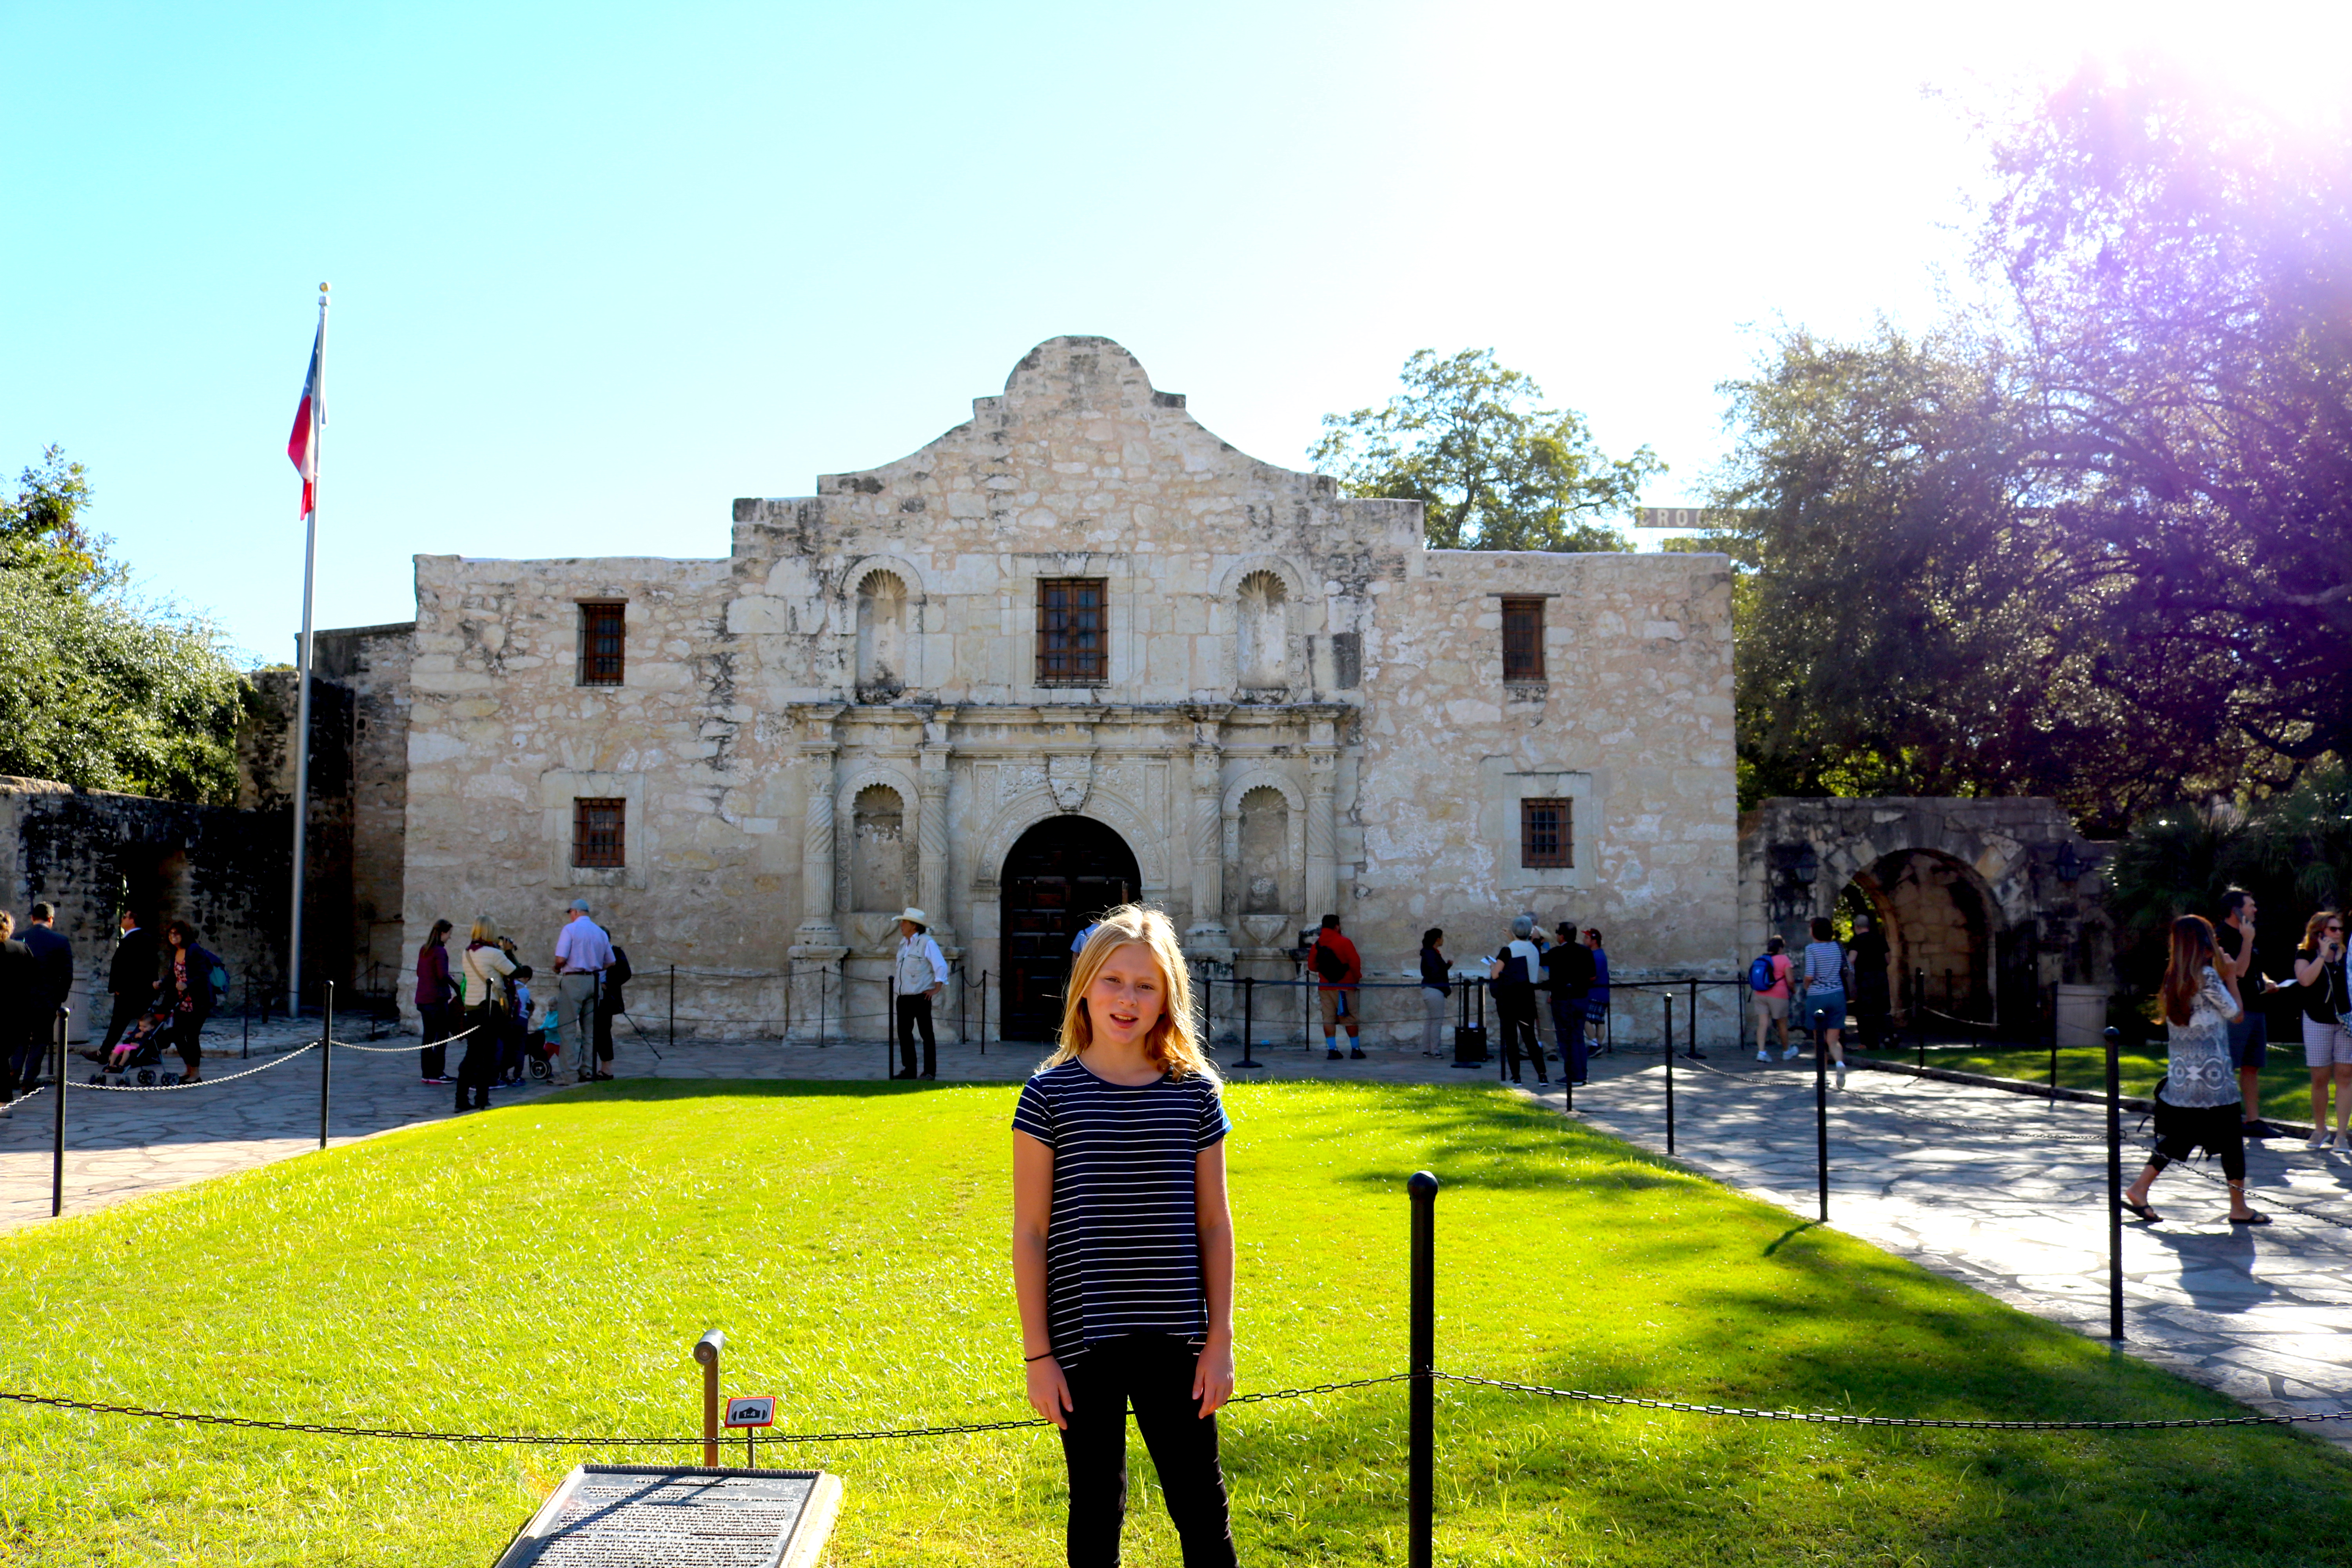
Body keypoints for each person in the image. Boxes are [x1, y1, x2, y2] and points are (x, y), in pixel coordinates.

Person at [1013, 904, 1237, 1568]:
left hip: (1179, 1338)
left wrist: (1220, 1340)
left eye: (1146, 985)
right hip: (1084, 1339)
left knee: (1201, 1507)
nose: (1127, 999)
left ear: (1169, 994)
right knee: (1095, 1510)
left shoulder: (1194, 1094)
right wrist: (1037, 1357)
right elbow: (1030, 1232)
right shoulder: (1048, 1096)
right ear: (1084, 985)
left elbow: (1215, 1224)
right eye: (1113, 980)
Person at [2120, 915, 2268, 1225]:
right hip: (2213, 1078)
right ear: (2202, 947)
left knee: (2181, 1137)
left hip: (2184, 1078)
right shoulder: (2208, 977)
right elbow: (2237, 1015)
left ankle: (2139, 1188)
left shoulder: (2173, 978)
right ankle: (2239, 1208)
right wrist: (2230, 977)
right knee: (2230, 1140)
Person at [2214, 888, 2279, 1138]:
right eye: (2251, 905)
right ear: (2236, 910)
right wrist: (2248, 941)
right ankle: (2223, 1119)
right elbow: (2238, 971)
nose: (2255, 910)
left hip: (2256, 1007)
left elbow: (2253, 969)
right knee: (2228, 1065)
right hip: (2233, 1011)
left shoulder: (2247, 934)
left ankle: (2253, 1121)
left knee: (2252, 1066)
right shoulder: (2221, 937)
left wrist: (2267, 981)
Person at [2291, 910, 2350, 1152]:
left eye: (2340, 930)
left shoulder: (2347, 956)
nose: (2338, 934)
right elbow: (2305, 980)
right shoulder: (2305, 953)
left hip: (2345, 1020)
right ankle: (2320, 1129)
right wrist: (2323, 956)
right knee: (2320, 1077)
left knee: (2346, 1075)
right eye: (2333, 929)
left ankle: (2342, 1135)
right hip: (2317, 1020)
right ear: (2319, 932)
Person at [456, 916, 516, 1112]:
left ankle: (461, 1099)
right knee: (487, 1056)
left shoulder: (467, 953)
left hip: (472, 1007)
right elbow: (516, 972)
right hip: (490, 1008)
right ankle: (482, 1098)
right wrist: (509, 953)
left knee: (472, 1054)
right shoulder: (493, 954)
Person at [552, 899, 615, 1085]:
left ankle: (569, 1074)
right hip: (593, 980)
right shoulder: (600, 932)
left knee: (568, 1029)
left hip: (574, 979)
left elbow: (561, 958)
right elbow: (611, 962)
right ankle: (587, 1070)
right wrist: (594, 966)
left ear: (575, 912)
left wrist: (557, 968)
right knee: (590, 1031)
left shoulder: (570, 930)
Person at [1488, 915, 1549, 1086]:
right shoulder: (1534, 950)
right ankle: (1542, 1074)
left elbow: (1495, 974)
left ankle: (1516, 1076)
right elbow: (1523, 948)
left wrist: (1492, 966)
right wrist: (1514, 938)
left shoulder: (1507, 951)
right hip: (1527, 995)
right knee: (1530, 1037)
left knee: (1511, 1038)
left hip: (1510, 997)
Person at [157, 920, 221, 1084]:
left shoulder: (194, 950)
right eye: (170, 934)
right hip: (182, 1001)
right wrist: (161, 983)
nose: (173, 937)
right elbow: (173, 975)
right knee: (178, 1036)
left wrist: (187, 984)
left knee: (192, 1035)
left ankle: (196, 1074)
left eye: (176, 934)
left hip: (199, 1001)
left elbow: (202, 974)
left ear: (184, 935)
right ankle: (188, 1069)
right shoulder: (175, 952)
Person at [893, 906, 950, 1080]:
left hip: (920, 996)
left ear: (914, 926)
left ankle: (929, 1071)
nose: (901, 925)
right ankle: (909, 1069)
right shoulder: (904, 945)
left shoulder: (927, 942)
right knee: (904, 1033)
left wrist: (937, 988)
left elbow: (940, 965)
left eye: (905, 922)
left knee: (926, 1034)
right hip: (904, 997)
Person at [1800, 916, 1855, 1089]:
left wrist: (1807, 986)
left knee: (1819, 1040)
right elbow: (1849, 970)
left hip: (1818, 996)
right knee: (1833, 1039)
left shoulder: (1812, 949)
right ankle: (1839, 1064)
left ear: (1814, 931)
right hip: (1837, 995)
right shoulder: (1838, 948)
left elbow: (1810, 974)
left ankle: (1822, 1076)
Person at [1544, 919, 1594, 1086]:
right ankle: (1582, 1074)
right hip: (1581, 998)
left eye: (1558, 934)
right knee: (1578, 1037)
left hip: (1564, 1000)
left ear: (1562, 936)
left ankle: (1574, 1075)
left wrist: (1537, 942)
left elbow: (1539, 960)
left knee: (1566, 1039)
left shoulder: (1556, 953)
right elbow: (1592, 977)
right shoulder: (1585, 952)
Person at [1308, 914, 1363, 1061]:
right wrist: (1356, 979)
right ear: (1337, 926)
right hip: (1345, 985)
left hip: (1325, 987)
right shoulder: (1344, 942)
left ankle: (1333, 1050)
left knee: (1328, 1019)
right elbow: (1355, 964)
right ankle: (1356, 1049)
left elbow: (1312, 966)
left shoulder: (1317, 945)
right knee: (1350, 1018)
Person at [0, 913, 38, 1100]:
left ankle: (5, 1099)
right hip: (16, 1014)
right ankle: (4, 1100)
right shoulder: (21, 949)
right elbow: (33, 979)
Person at [415, 919, 457, 1085]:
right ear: (442, 934)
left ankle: (427, 1072)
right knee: (441, 1037)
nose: (449, 938)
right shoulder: (440, 952)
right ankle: (438, 1072)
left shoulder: (424, 950)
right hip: (437, 1000)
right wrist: (456, 985)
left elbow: (420, 972)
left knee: (428, 1037)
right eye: (449, 934)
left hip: (423, 999)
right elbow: (442, 975)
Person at [1849, 912, 1892, 1051]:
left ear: (1856, 927)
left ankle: (1869, 1042)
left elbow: (1851, 960)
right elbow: (1888, 959)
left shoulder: (1856, 941)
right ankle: (1888, 1037)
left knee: (1865, 1011)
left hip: (1864, 978)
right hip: (1880, 977)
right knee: (1884, 1009)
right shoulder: (1880, 939)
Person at [1751, 934, 1795, 1062]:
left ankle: (1762, 1052)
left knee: (1763, 1024)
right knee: (1782, 1024)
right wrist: (1793, 990)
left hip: (1761, 994)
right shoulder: (1784, 959)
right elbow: (1790, 980)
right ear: (1781, 948)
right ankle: (1786, 1051)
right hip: (1779, 995)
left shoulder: (1762, 959)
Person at [595, 937, 633, 1078]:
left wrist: (609, 985)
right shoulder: (591, 951)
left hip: (605, 997)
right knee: (591, 1032)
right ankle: (587, 1067)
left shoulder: (616, 952)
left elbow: (626, 973)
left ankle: (606, 1069)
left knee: (603, 1032)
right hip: (590, 995)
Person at [1417, 928, 1450, 1057]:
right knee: (1437, 1021)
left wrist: (1446, 967)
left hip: (1430, 989)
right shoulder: (1431, 954)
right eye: (1442, 937)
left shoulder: (1429, 953)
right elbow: (1434, 972)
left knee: (1430, 1021)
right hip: (1435, 990)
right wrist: (1444, 968)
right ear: (1438, 939)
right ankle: (1435, 1050)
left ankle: (1427, 1049)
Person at [1583, 929, 1611, 1048]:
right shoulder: (1600, 954)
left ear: (1594, 941)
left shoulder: (1596, 956)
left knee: (1584, 1018)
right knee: (1600, 1021)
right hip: (1603, 992)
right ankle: (1598, 1045)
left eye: (1586, 938)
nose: (1584, 940)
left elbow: (1592, 976)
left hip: (1595, 992)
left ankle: (1595, 1044)